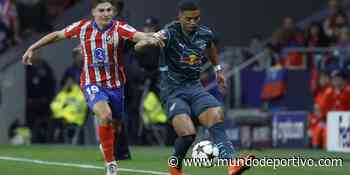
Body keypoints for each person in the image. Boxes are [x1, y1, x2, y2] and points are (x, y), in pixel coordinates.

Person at [22, 1, 163, 175]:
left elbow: (139, 35)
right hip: (92, 83)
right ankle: (111, 164)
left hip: (116, 85)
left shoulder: (119, 28)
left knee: (116, 125)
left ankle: (106, 143)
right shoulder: (82, 27)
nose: (106, 13)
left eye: (109, 10)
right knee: (105, 115)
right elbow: (57, 35)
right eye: (101, 10)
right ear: (93, 12)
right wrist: (32, 47)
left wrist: (154, 37)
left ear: (113, 11)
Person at [135, 1, 253, 175]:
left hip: (195, 88)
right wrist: (150, 40)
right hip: (172, 91)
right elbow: (138, 47)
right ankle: (175, 167)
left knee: (216, 116)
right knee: (188, 133)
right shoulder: (169, 31)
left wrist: (218, 70)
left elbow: (210, 47)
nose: (193, 22)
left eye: (196, 18)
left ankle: (232, 164)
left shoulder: (204, 33)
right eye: (188, 19)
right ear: (179, 17)